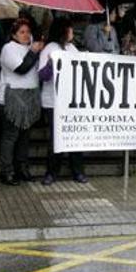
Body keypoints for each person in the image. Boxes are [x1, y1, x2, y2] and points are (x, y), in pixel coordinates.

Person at [38, 18, 86, 185]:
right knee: (56, 138)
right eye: (70, 30)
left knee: (75, 137)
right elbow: (43, 76)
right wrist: (51, 63)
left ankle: (77, 171)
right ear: (63, 31)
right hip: (54, 101)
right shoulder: (49, 49)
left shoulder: (73, 49)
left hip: (71, 101)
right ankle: (51, 172)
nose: (72, 33)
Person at [0, 18, 43, 186]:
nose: (26, 35)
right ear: (14, 34)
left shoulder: (31, 47)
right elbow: (21, 69)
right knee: (10, 136)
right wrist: (32, 52)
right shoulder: (8, 48)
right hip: (11, 97)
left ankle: (22, 168)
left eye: (28, 32)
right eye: (22, 32)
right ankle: (6, 170)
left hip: (29, 95)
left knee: (25, 136)